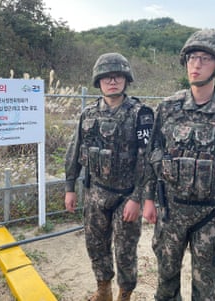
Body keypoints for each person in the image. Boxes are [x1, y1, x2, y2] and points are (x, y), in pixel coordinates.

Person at [142, 29, 215, 300]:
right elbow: (151, 156)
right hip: (170, 211)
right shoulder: (167, 107)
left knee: (206, 285)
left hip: (208, 213)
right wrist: (148, 199)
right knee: (166, 280)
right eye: (192, 58)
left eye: (205, 59)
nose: (195, 65)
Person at [65, 52, 154, 301]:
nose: (112, 81)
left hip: (126, 196)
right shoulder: (88, 114)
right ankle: (103, 290)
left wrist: (137, 198)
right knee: (96, 246)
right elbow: (74, 152)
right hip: (95, 193)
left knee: (125, 251)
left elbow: (147, 160)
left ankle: (124, 295)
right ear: (98, 81)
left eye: (117, 77)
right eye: (106, 77)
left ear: (126, 79)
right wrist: (69, 187)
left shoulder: (141, 114)